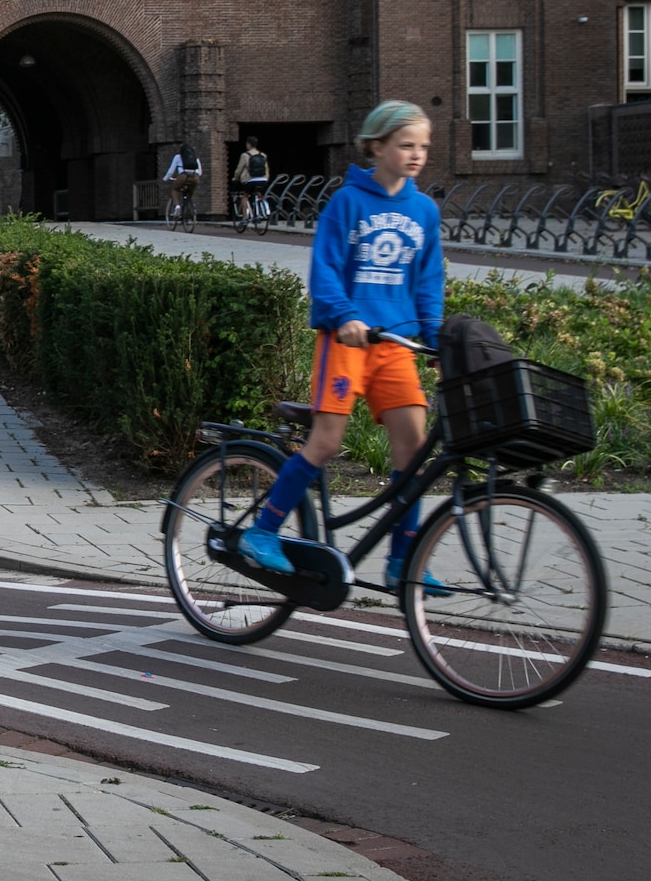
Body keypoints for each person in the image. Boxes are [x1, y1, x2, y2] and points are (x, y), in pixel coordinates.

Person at [239, 101, 446, 588]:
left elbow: (429, 281)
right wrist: (346, 316)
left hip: (396, 344)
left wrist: (435, 340)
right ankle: (263, 532)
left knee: (413, 451)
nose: (417, 154)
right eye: (406, 145)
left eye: (423, 146)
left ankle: (402, 559)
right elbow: (325, 271)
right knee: (327, 442)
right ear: (377, 146)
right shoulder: (348, 203)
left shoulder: (423, 210)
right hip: (347, 341)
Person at [233, 136, 271, 223]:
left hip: (250, 180)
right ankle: (263, 211)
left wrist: (235, 178)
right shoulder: (263, 155)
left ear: (248, 144)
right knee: (258, 192)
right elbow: (266, 169)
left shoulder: (245, 155)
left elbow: (239, 169)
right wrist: (266, 179)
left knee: (245, 196)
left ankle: (245, 218)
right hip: (263, 180)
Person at [164, 144, 204, 219]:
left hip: (183, 176)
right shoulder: (195, 158)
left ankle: (177, 206)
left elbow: (171, 171)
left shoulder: (177, 157)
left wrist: (166, 178)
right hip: (194, 177)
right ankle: (191, 208)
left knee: (175, 189)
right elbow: (200, 172)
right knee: (189, 194)